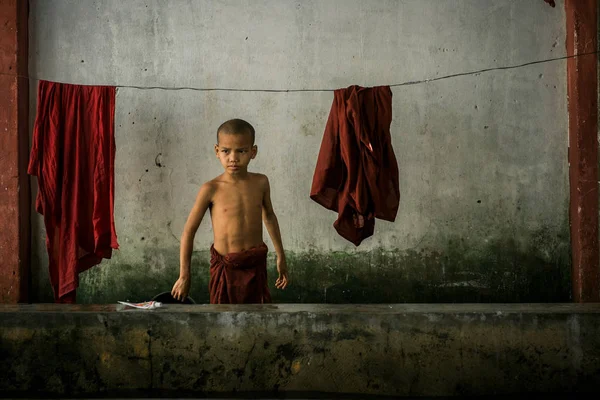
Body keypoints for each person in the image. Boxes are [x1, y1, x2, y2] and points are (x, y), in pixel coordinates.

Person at [171, 119, 289, 303]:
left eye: (241, 151)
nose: (233, 158)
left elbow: (270, 217)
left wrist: (281, 255)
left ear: (253, 152)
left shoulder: (261, 182)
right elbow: (189, 231)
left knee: (257, 319)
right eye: (226, 151)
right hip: (225, 268)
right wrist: (184, 275)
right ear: (217, 151)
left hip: (254, 265)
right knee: (222, 322)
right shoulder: (211, 189)